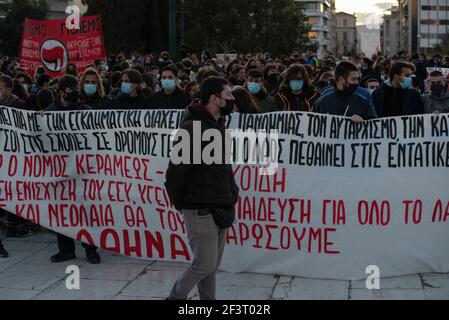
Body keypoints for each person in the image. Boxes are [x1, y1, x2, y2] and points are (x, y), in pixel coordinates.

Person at [165, 77, 239, 300]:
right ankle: (175, 297)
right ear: (214, 99)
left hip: (221, 205)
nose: (232, 99)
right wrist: (184, 204)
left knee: (211, 267)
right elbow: (174, 174)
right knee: (203, 264)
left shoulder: (218, 125)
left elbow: (223, 167)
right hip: (199, 208)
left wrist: (231, 193)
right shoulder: (191, 129)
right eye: (228, 95)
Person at [43, 75, 101, 264]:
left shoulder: (85, 110)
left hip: (82, 169)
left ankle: (91, 249)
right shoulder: (49, 113)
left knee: (86, 210)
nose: (75, 92)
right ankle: (66, 249)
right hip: (59, 169)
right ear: (61, 92)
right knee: (62, 211)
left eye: (76, 88)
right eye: (70, 89)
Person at [313, 61, 377, 121]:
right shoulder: (321, 103)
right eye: (353, 79)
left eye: (357, 79)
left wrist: (362, 120)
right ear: (341, 79)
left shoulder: (364, 103)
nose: (357, 82)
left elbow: (374, 126)